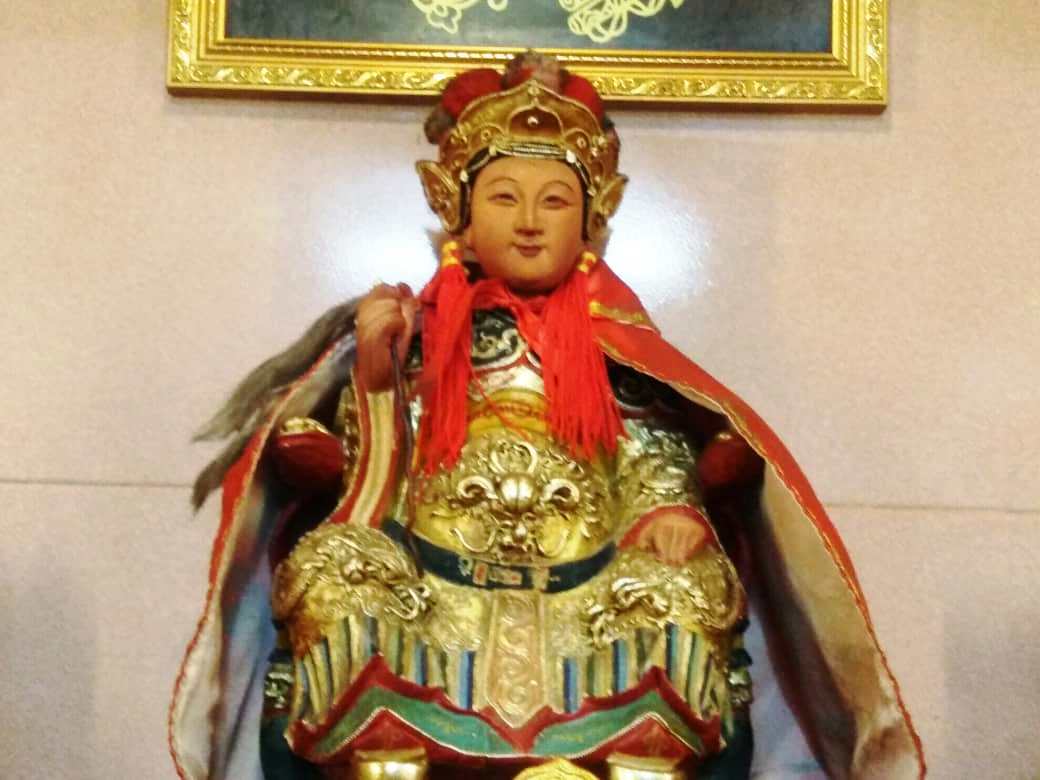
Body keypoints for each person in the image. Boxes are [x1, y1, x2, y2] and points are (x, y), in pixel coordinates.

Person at [168, 52, 925, 780]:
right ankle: (386, 756)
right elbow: (376, 468)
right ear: (459, 213)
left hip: (589, 579)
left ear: (591, 218)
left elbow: (650, 444)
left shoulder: (616, 350)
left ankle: (641, 761)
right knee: (336, 572)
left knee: (684, 587)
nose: (529, 221)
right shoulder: (423, 339)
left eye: (554, 201)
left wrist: (669, 508)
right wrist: (375, 374)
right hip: (432, 575)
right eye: (504, 198)